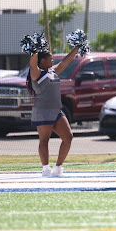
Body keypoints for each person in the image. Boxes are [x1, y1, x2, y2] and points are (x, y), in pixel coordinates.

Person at [27, 46, 79, 177]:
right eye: (50, 59)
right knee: (44, 140)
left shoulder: (52, 71)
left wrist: (77, 47)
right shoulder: (37, 73)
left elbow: (65, 62)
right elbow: (33, 64)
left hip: (56, 111)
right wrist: (34, 50)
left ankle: (58, 167)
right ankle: (45, 169)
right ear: (43, 60)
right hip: (43, 111)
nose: (53, 61)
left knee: (68, 137)